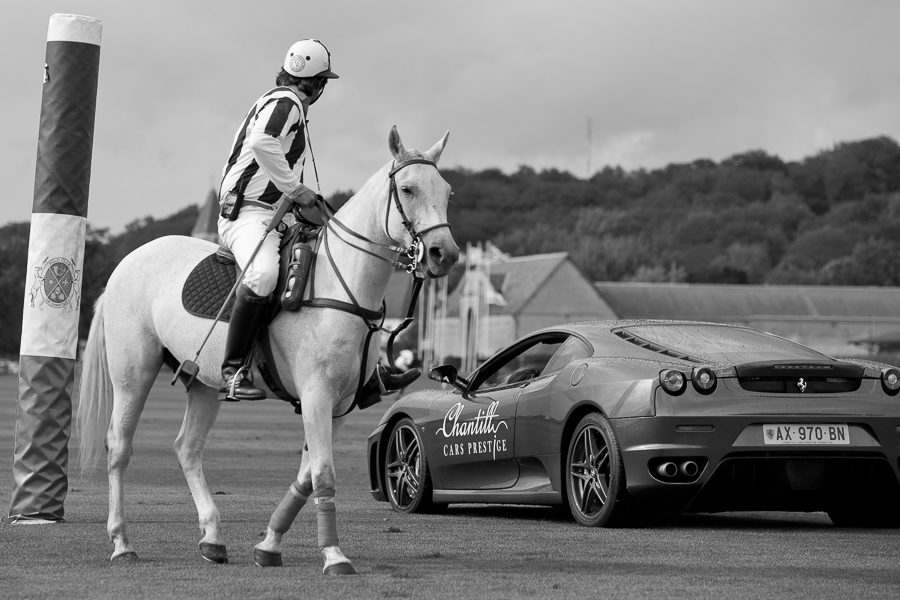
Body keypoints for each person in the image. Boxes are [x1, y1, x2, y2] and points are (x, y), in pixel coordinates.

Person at [216, 39, 418, 403]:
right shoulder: (286, 102)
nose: (324, 86)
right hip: (247, 216)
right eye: (323, 80)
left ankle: (368, 373)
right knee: (262, 275)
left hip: (275, 219)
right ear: (316, 82)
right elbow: (262, 142)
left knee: (344, 265)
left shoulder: (287, 104)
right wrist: (296, 190)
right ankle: (232, 371)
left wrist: (300, 202)